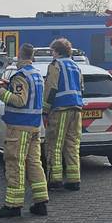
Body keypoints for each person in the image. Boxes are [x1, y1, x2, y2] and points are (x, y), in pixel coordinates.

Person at [0, 43, 49, 218]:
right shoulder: (37, 74)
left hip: (19, 127)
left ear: (19, 56)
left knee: (15, 163)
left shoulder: (21, 76)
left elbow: (19, 100)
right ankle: (41, 202)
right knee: (34, 163)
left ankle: (13, 205)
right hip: (34, 126)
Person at [44, 38, 84, 191]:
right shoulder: (76, 66)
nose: (51, 54)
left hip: (61, 109)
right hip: (76, 108)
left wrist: (45, 109)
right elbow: (81, 87)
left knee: (55, 143)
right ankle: (74, 180)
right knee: (72, 144)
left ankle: (55, 179)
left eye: (52, 51)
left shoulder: (55, 65)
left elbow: (51, 88)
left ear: (57, 52)